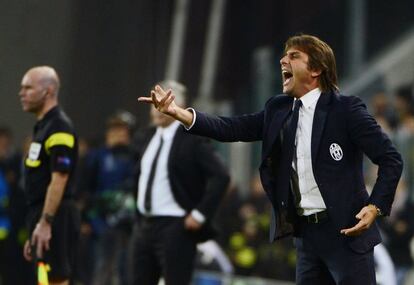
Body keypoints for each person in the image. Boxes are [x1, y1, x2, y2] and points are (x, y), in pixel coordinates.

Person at [139, 35, 404, 284]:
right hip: (307, 236)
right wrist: (177, 112)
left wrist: (375, 207)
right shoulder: (279, 109)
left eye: (294, 55)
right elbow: (231, 128)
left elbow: (391, 158)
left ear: (316, 69)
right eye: (283, 56)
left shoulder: (346, 109)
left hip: (347, 232)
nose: (282, 61)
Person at [129, 80, 230, 285]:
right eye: (155, 101)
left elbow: (221, 176)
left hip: (175, 226)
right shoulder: (145, 137)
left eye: (164, 100)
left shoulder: (193, 138)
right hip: (144, 226)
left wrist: (200, 214)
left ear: (177, 106)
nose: (158, 107)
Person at [19, 66, 80, 285]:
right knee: (44, 280)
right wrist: (37, 223)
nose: (21, 93)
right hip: (43, 215)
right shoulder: (43, 126)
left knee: (56, 281)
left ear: (48, 91)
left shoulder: (59, 127)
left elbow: (60, 177)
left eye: (28, 88)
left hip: (57, 216)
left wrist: (45, 223)